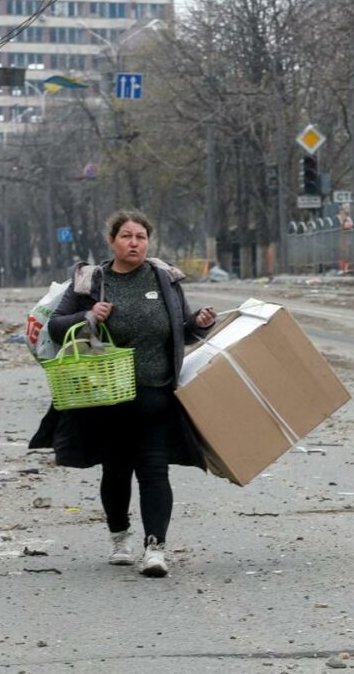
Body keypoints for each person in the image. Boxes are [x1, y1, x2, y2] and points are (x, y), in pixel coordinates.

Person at [28, 209, 217, 578]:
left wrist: (199, 323)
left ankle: (155, 548)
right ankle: (119, 538)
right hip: (107, 396)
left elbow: (182, 329)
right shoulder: (90, 282)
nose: (135, 243)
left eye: (141, 237)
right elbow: (54, 328)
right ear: (112, 241)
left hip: (155, 394)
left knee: (154, 470)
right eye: (127, 236)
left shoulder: (164, 279)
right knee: (116, 470)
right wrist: (89, 316)